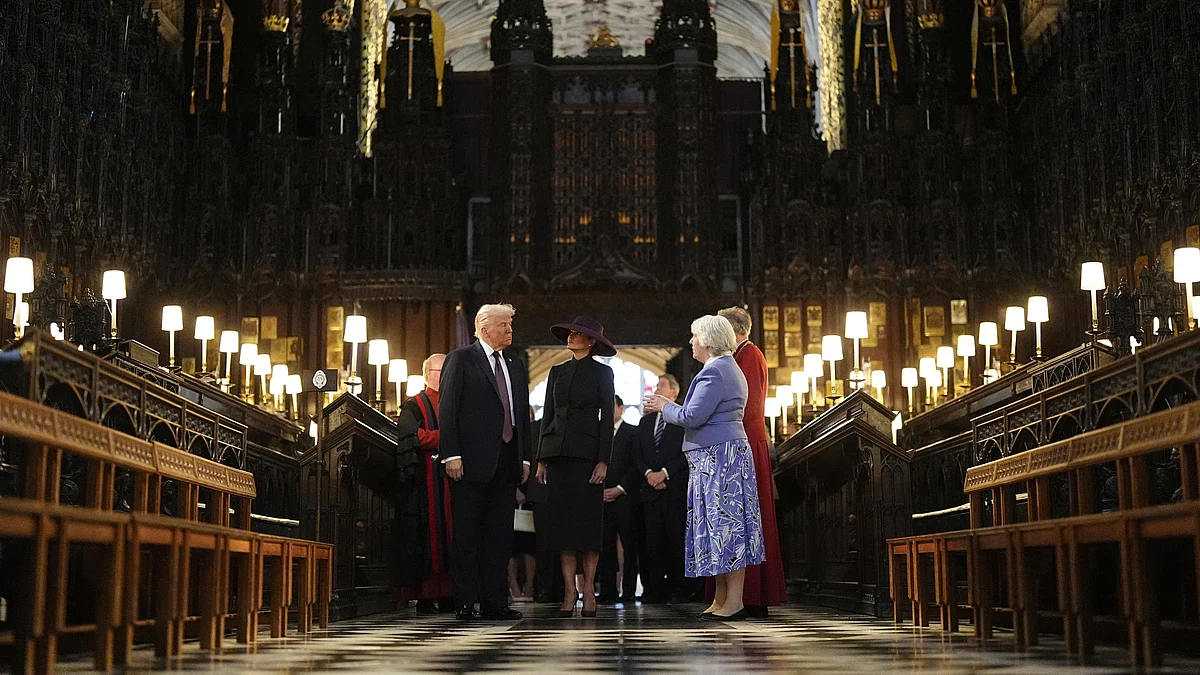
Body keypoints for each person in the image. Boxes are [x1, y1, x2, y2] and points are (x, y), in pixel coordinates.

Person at [643, 315, 765, 621]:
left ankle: (733, 601)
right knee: (716, 527)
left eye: (694, 336)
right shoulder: (721, 368)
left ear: (708, 340)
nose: (691, 342)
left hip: (720, 457)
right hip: (716, 455)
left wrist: (663, 406)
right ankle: (723, 598)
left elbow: (693, 416)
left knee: (728, 527)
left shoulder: (716, 372)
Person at [439, 304, 532, 621]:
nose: (509, 330)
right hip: (469, 463)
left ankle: (496, 603)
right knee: (467, 536)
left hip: (507, 462)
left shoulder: (515, 365)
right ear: (483, 327)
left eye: (510, 324)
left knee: (499, 536)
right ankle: (465, 602)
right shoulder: (462, 359)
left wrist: (526, 458)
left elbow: (522, 416)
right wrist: (451, 454)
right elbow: (448, 409)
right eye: (504, 325)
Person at [534, 316, 616, 618]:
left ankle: (589, 589)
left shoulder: (602, 374)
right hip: (558, 454)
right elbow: (548, 415)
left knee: (588, 527)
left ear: (591, 341)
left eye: (577, 334)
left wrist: (604, 460)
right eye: (569, 333)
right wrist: (542, 457)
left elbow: (607, 418)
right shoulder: (556, 371)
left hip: (588, 454)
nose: (571, 337)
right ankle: (569, 590)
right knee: (563, 528)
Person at [717, 306, 788, 616]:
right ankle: (731, 596)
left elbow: (748, 406)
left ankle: (754, 595)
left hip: (745, 443)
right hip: (734, 441)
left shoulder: (750, 355)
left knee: (750, 519)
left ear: (735, 331)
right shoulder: (734, 357)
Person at [394, 354, 454, 613]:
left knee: (454, 534)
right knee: (425, 536)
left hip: (453, 482)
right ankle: (426, 596)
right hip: (423, 482)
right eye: (439, 371)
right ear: (427, 373)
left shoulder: (456, 400)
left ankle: (452, 593)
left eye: (447, 370)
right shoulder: (413, 405)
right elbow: (412, 437)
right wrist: (446, 438)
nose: (443, 376)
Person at [634, 374, 690, 604]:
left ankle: (679, 590)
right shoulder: (645, 422)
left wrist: (664, 474)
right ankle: (654, 590)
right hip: (649, 492)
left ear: (674, 393)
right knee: (652, 543)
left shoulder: (682, 420)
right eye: (656, 385)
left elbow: (685, 454)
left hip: (674, 490)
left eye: (661, 386)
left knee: (676, 541)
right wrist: (649, 475)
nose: (657, 389)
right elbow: (637, 454)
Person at [598, 395, 642, 604]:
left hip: (626, 498)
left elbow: (636, 464)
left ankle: (629, 591)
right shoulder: (600, 434)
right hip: (602, 498)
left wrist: (620, 488)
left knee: (629, 546)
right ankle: (608, 591)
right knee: (605, 546)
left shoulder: (633, 432)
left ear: (621, 408)